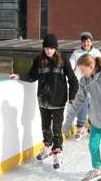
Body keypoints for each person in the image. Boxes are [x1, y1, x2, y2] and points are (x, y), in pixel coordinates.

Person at [10, 34, 78, 169]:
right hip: (43, 99)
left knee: (57, 128)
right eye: (46, 48)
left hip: (58, 100)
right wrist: (19, 75)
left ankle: (57, 153)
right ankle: (47, 147)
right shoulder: (38, 60)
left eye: (51, 48)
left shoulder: (63, 60)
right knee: (45, 126)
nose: (49, 51)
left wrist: (72, 96)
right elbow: (32, 76)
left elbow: (73, 80)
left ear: (56, 48)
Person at [69, 31, 101, 140]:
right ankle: (80, 126)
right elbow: (70, 66)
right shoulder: (76, 53)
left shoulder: (96, 53)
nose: (86, 43)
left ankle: (92, 125)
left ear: (91, 42)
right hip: (81, 82)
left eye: (88, 41)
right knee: (82, 103)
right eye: (84, 42)